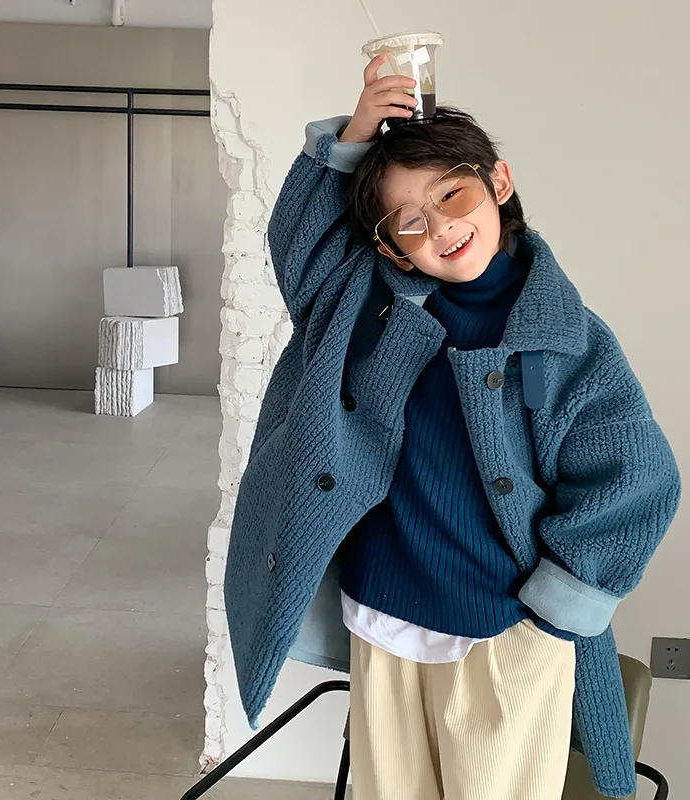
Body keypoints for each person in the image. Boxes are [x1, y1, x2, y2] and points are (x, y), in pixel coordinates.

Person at [223, 54, 681, 800]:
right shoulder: (359, 307)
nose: (438, 225)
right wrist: (353, 137)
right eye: (409, 220)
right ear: (388, 246)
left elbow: (637, 477)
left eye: (452, 194)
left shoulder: (570, 340)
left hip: (506, 631)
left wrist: (553, 613)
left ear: (498, 183)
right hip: (381, 615)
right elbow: (301, 254)